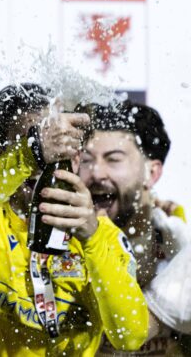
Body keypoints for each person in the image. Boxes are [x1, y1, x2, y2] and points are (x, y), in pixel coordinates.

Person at [0, 84, 149, 355]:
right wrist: (27, 155)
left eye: (59, 145)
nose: (45, 160)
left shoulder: (103, 236)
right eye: (36, 145)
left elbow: (131, 336)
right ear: (4, 152)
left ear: (77, 156)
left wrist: (92, 240)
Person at [77, 101, 190, 354]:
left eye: (113, 159)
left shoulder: (177, 245)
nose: (96, 173)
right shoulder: (65, 241)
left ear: (152, 173)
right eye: (85, 159)